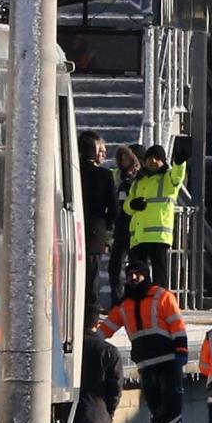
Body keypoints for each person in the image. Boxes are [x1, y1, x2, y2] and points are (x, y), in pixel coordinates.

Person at [95, 260, 190, 423]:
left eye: (137, 274)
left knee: (171, 409)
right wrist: (90, 342)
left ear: (146, 275)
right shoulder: (124, 305)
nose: (133, 278)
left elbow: (177, 325)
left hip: (168, 362)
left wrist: (181, 351)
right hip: (146, 365)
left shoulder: (163, 296)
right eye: (130, 274)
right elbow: (105, 330)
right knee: (157, 411)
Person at [124, 145, 184, 286]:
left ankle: (159, 303)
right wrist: (133, 205)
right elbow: (127, 206)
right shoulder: (139, 181)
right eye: (150, 158)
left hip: (158, 236)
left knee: (159, 275)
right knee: (137, 275)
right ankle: (139, 302)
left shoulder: (168, 178)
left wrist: (180, 163)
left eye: (157, 158)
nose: (153, 161)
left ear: (163, 161)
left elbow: (178, 176)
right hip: (139, 236)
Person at [76, 132, 122, 313]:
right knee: (92, 274)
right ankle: (91, 310)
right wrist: (106, 226)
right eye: (101, 150)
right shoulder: (104, 175)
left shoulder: (71, 171)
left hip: (73, 227)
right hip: (95, 231)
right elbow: (114, 209)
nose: (104, 154)